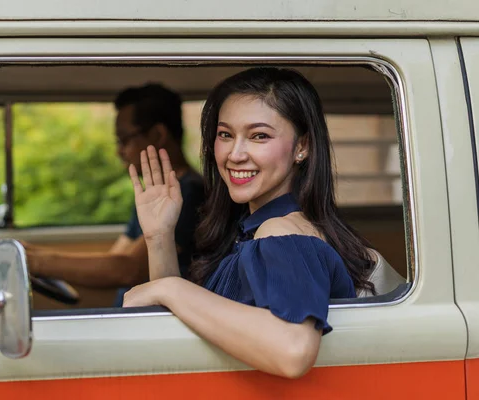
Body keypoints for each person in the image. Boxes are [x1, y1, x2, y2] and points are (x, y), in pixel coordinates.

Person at [122, 68, 375, 378]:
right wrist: (160, 237)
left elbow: (293, 352)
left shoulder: (282, 233)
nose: (235, 154)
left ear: (302, 147)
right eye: (225, 134)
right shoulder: (253, 230)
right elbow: (182, 327)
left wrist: (171, 289)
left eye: (259, 136)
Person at [24, 84, 204, 294]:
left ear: (157, 134)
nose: (119, 151)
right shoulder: (154, 195)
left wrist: (36, 262)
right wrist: (28, 252)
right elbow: (116, 259)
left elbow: (128, 269)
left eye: (124, 139)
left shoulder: (189, 194)